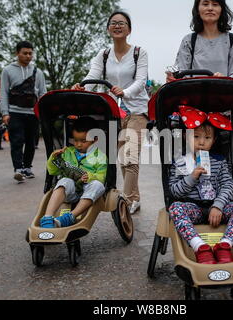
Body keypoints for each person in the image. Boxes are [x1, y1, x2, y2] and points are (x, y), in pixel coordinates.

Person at [72, 11, 149, 215]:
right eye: (113, 23)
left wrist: (125, 91)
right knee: (118, 156)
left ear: (129, 29)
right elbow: (92, 76)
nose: (117, 26)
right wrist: (82, 88)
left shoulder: (139, 53)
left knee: (129, 156)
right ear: (108, 28)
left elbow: (141, 81)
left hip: (136, 111)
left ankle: (128, 199)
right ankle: (135, 197)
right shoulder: (103, 55)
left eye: (122, 23)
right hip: (112, 111)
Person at [168, 106, 233, 264]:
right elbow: (174, 191)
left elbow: (227, 185)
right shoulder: (180, 162)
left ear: (214, 141)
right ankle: (200, 247)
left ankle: (225, 244)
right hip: (193, 209)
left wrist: (218, 205)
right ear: (186, 136)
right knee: (175, 208)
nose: (201, 142)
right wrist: (191, 177)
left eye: (207, 138)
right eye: (196, 136)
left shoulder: (219, 161)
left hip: (217, 208)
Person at [40, 117, 107, 228]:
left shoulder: (100, 156)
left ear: (95, 140)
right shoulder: (68, 152)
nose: (78, 144)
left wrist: (90, 176)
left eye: (83, 141)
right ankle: (47, 217)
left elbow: (102, 176)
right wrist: (54, 158)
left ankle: (70, 216)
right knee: (64, 180)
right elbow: (53, 171)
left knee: (98, 185)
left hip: (88, 193)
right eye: (75, 140)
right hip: (70, 192)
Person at [0, 41, 47, 182]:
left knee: (31, 142)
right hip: (15, 112)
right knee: (16, 141)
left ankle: (27, 167)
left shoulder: (38, 72)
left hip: (33, 113)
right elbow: (3, 93)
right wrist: (5, 112)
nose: (28, 56)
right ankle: (18, 168)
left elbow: (42, 93)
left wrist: (43, 112)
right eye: (24, 53)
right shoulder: (8, 70)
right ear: (17, 53)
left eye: (30, 53)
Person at [167, 0, 233, 82]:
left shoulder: (232, 39)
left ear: (222, 10)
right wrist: (173, 78)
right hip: (193, 93)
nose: (210, 8)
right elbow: (181, 73)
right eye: (205, 4)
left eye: (215, 4)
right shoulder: (188, 40)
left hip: (223, 92)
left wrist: (224, 80)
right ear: (198, 9)